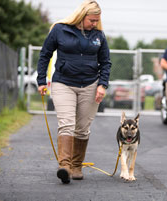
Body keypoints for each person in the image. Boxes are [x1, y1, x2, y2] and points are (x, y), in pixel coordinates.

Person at [37, 0, 111, 184]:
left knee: (83, 129)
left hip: (90, 85)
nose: (94, 23)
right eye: (92, 20)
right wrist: (41, 81)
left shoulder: (99, 35)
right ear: (82, 15)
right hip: (64, 83)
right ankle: (65, 166)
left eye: (97, 20)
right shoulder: (59, 29)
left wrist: (102, 85)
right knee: (66, 124)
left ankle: (77, 166)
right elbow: (45, 54)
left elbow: (106, 62)